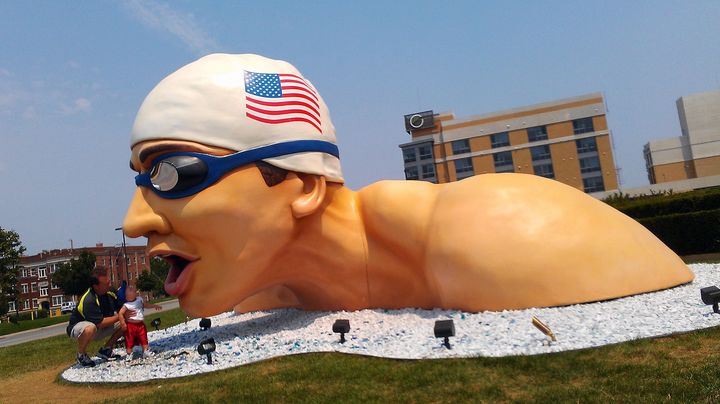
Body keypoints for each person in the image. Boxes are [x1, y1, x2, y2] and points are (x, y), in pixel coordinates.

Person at [122, 53, 694, 318]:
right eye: (143, 179)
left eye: (172, 174)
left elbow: (666, 277)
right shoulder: (259, 291)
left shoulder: (489, 238)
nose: (134, 220)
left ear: (301, 185)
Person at [66, 266, 125, 367]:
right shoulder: (89, 300)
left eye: (109, 281)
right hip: (79, 328)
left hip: (98, 326)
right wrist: (120, 316)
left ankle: (106, 350)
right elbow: (100, 323)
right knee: (90, 328)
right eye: (106, 283)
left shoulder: (110, 292)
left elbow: (121, 308)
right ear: (96, 286)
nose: (109, 284)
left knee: (127, 320)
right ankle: (81, 355)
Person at [118, 284, 161, 359]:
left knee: (143, 338)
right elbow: (120, 313)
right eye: (127, 295)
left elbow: (145, 305)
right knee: (129, 340)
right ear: (126, 297)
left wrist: (154, 306)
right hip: (130, 325)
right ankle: (129, 354)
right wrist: (123, 323)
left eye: (132, 292)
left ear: (135, 293)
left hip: (140, 324)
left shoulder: (139, 300)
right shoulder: (126, 305)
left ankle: (146, 351)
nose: (129, 297)